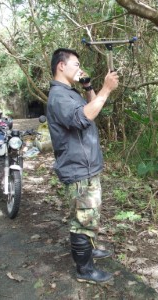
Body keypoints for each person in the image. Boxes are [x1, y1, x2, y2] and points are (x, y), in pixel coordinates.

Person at [47, 48, 119, 284]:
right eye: (76, 64)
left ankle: (88, 250)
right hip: (78, 169)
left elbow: (92, 110)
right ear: (61, 65)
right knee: (82, 220)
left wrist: (89, 87)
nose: (79, 68)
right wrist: (106, 89)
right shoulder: (58, 96)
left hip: (87, 166)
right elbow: (81, 119)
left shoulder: (70, 92)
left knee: (90, 215)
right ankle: (84, 270)